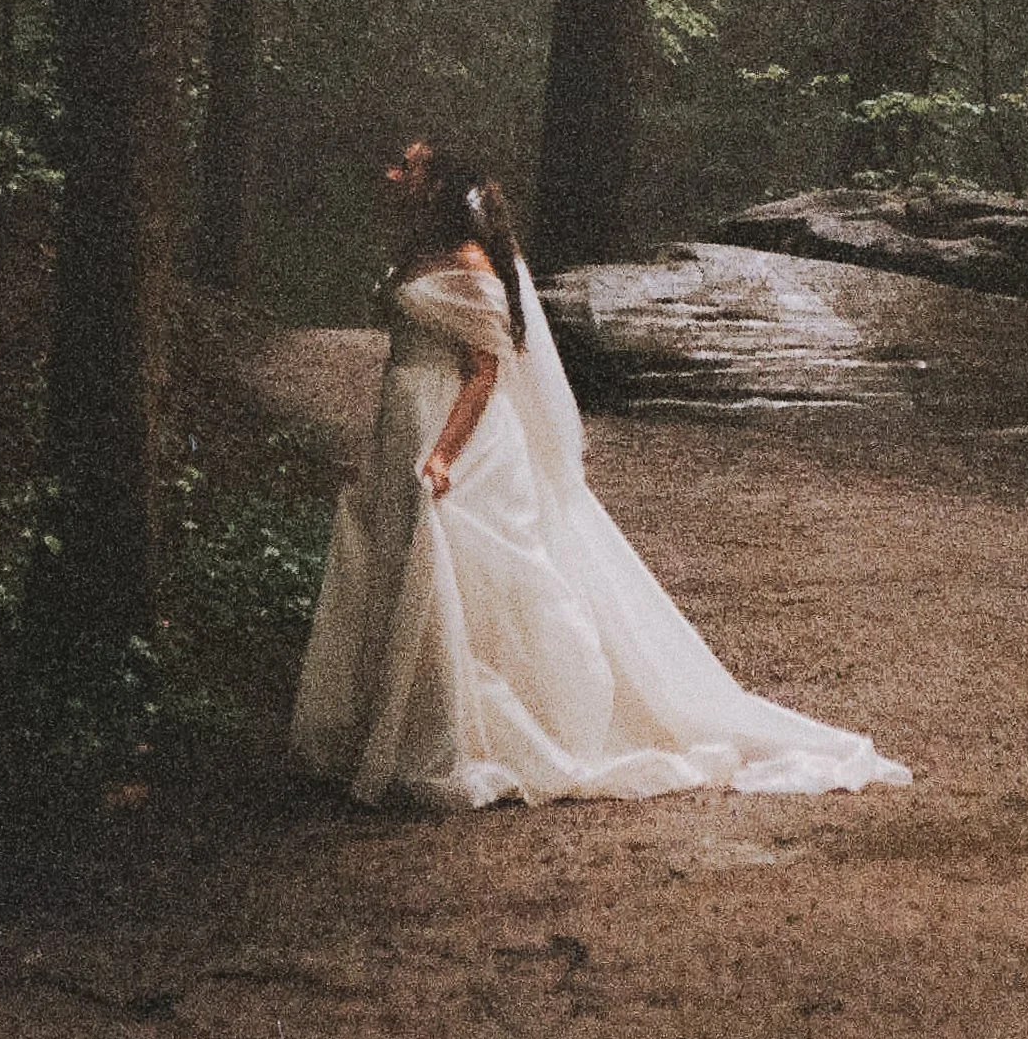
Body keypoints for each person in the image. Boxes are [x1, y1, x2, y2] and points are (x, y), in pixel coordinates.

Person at [291, 139, 911, 808]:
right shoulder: (416, 252)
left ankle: (474, 735)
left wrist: (443, 453)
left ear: (438, 187)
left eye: (407, 166)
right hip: (407, 416)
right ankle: (407, 728)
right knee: (409, 564)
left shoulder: (468, 262)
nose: (390, 174)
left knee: (471, 573)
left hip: (457, 429)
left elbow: (484, 372)